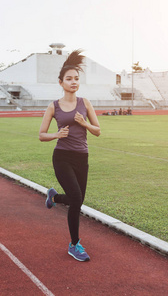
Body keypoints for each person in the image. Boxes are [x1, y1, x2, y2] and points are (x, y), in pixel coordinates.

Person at [39, 50, 101, 262]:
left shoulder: (85, 103)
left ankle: (54, 197)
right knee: (76, 198)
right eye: (69, 79)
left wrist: (84, 123)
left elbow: (98, 130)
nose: (73, 82)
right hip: (62, 156)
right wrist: (57, 134)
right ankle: (74, 245)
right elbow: (41, 135)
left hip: (82, 158)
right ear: (61, 82)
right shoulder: (53, 106)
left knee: (78, 202)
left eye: (76, 79)